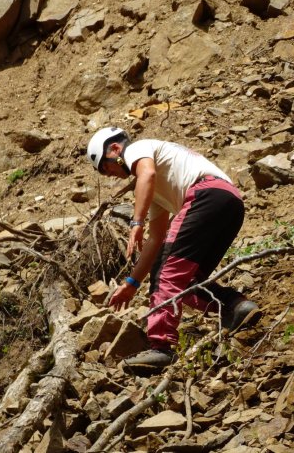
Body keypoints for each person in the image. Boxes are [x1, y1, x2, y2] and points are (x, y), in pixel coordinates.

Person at [86, 126, 262, 373]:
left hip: (205, 195)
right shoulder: (159, 189)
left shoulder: (138, 149)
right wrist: (132, 284)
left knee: (166, 270)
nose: (110, 175)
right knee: (182, 279)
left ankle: (161, 347)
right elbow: (155, 239)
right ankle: (235, 306)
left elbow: (145, 174)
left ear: (115, 149)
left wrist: (136, 222)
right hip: (230, 203)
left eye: (106, 168)